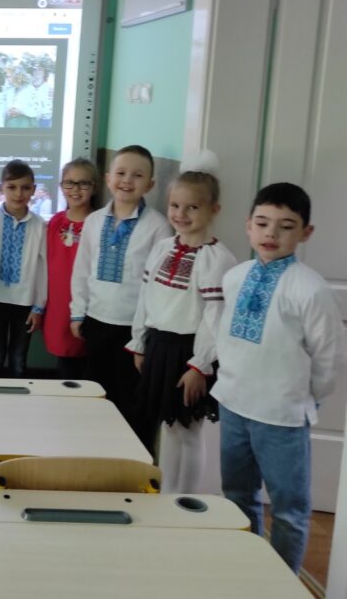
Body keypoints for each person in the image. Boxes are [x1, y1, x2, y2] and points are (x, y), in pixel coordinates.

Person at [211, 183, 345, 573]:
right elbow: (225, 338)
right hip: (234, 406)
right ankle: (245, 570)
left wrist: (304, 399)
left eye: (286, 226)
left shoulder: (311, 289)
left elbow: (329, 356)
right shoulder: (234, 277)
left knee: (289, 509)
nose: (271, 234)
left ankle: (281, 581)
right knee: (237, 495)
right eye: (262, 223)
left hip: (282, 417)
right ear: (248, 225)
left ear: (306, 232)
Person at [126, 153, 237, 490]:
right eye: (175, 206)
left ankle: (185, 498)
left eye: (192, 207)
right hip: (160, 345)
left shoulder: (217, 259)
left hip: (190, 353)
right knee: (168, 426)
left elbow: (215, 317)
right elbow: (146, 297)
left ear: (213, 209)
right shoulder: (162, 247)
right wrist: (139, 341)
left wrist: (200, 365)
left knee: (188, 429)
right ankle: (168, 493)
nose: (181, 214)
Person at [70, 145, 171, 428]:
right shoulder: (93, 221)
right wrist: (78, 311)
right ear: (108, 178)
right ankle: (94, 442)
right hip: (95, 320)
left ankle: (129, 449)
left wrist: (144, 332)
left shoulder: (158, 226)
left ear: (150, 184)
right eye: (121, 173)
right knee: (96, 389)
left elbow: (156, 287)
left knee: (129, 394)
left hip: (132, 327)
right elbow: (82, 270)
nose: (127, 180)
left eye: (137, 175)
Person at [0, 160, 47, 378]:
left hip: (25, 302)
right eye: (12, 187)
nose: (19, 193)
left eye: (25, 187)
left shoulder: (40, 226)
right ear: (1, 188)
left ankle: (17, 398)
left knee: (19, 359)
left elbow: (43, 269)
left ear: (34, 189)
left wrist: (38, 306)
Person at [43, 158, 97, 379]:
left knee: (87, 363)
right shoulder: (55, 222)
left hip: (87, 303)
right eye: (69, 183)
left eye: (83, 183)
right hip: (58, 304)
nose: (75, 189)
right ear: (61, 186)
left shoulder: (98, 223)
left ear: (94, 187)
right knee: (65, 364)